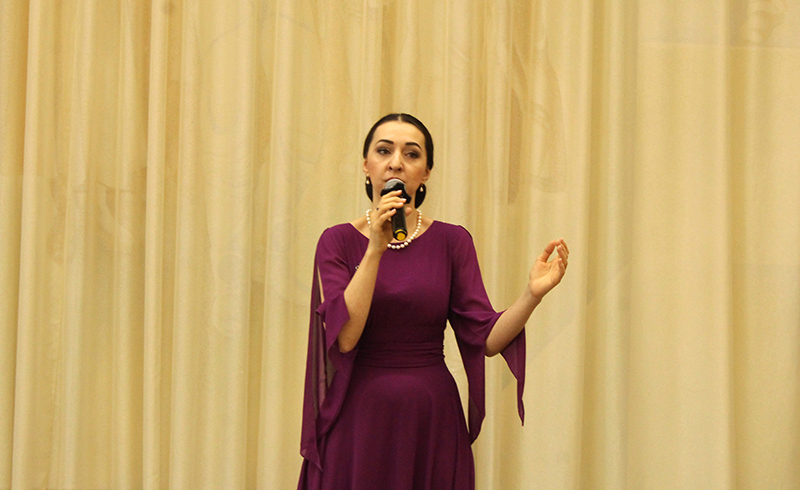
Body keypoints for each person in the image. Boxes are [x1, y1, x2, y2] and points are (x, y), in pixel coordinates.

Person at [298, 113, 569, 490]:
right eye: (383, 151)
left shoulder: (452, 242)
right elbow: (345, 338)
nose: (396, 162)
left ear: (425, 173)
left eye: (411, 154)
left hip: (430, 418)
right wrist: (375, 248)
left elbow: (486, 339)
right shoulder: (337, 241)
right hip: (358, 420)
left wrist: (532, 295)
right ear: (366, 166)